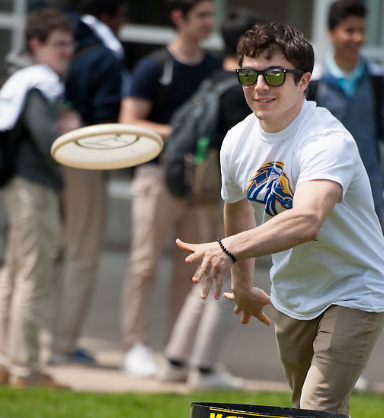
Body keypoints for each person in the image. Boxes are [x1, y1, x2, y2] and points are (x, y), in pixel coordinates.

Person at [176, 22, 384, 416]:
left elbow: (307, 218)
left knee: (315, 408)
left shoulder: (328, 140)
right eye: (249, 74)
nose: (260, 85)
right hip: (293, 293)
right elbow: (238, 206)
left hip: (356, 287)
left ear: (304, 80)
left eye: (275, 74)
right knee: (310, 409)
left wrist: (227, 249)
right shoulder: (237, 141)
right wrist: (242, 285)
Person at [118, 0, 222, 377]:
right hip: (156, 176)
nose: (210, 23)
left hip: (200, 182)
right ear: (179, 18)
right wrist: (183, 134)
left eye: (212, 16)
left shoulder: (213, 68)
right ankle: (135, 346)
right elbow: (130, 121)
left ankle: (179, 354)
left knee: (192, 271)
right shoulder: (153, 66)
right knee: (143, 265)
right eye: (203, 16)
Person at [157, 9, 258, 390]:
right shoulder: (241, 89)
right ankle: (203, 366)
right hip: (229, 194)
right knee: (231, 270)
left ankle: (176, 359)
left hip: (204, 189)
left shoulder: (214, 78)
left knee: (209, 272)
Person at [0, 8, 80, 388]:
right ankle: (26, 370)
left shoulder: (26, 79)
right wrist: (69, 133)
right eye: (59, 44)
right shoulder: (38, 81)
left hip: (20, 185)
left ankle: (6, 363)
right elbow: (49, 144)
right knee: (34, 277)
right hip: (32, 186)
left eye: (70, 43)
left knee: (14, 276)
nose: (68, 51)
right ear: (36, 45)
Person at [48, 0, 128, 366]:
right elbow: (107, 118)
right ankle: (63, 346)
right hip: (85, 159)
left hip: (46, 158)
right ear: (112, 16)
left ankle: (15, 340)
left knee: (48, 251)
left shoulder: (61, 42)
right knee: (82, 254)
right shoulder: (105, 55)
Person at [307, 0, 384, 221]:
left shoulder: (379, 79)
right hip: (323, 185)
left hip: (369, 187)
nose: (358, 38)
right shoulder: (314, 82)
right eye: (350, 31)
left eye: (362, 31)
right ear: (331, 33)